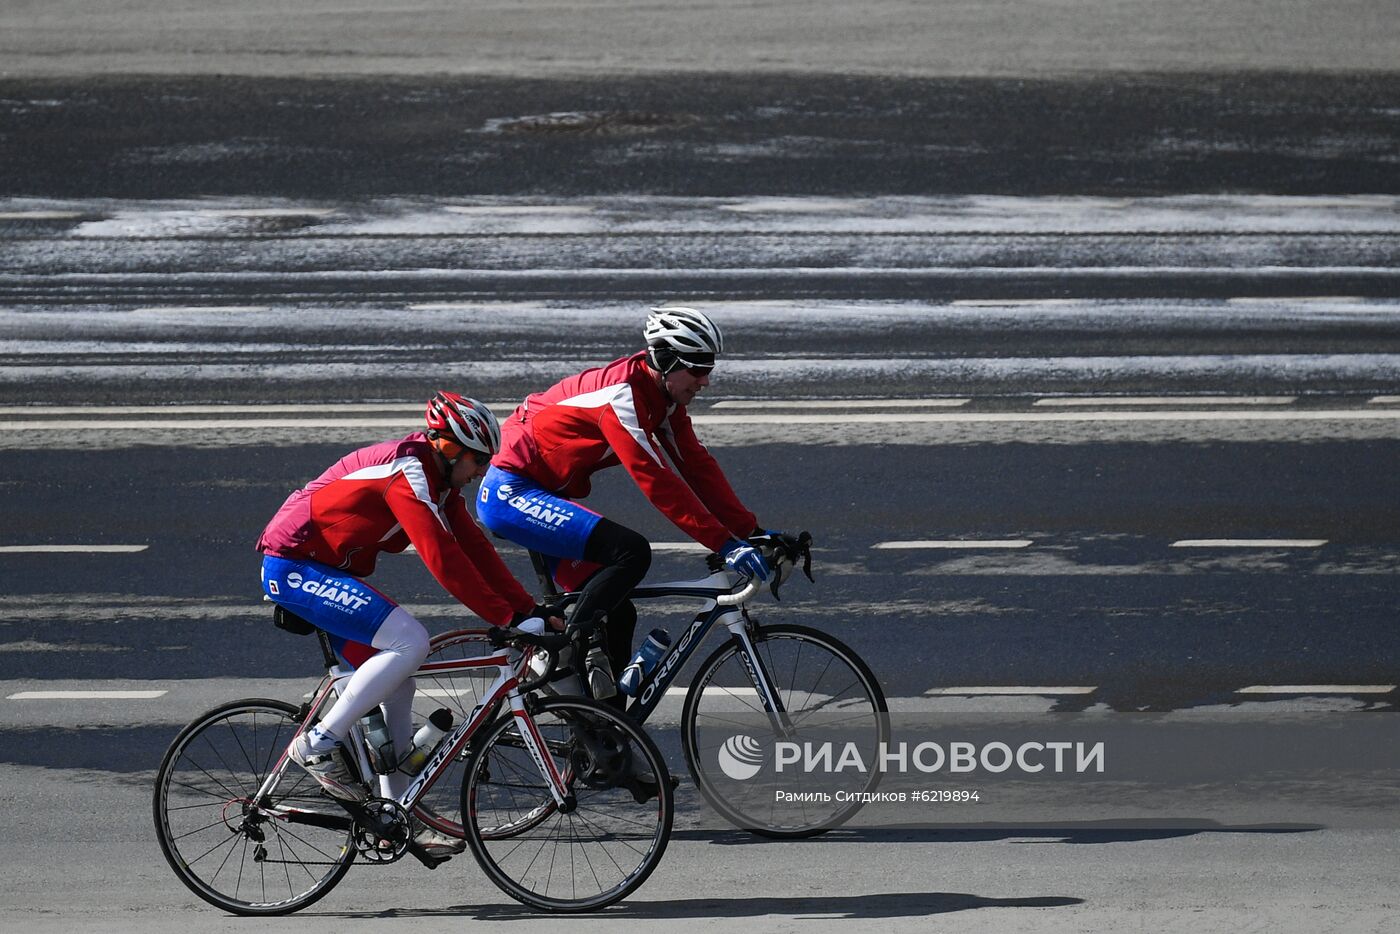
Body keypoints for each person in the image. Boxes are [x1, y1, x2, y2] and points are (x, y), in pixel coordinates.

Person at [257, 391, 556, 855]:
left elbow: (475, 548)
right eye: (478, 460)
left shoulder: (441, 483)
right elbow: (443, 560)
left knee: (400, 683)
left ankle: (392, 815)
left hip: (327, 569)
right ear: (450, 448)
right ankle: (318, 743)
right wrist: (504, 618)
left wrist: (526, 611)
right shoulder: (409, 472)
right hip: (294, 565)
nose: (482, 472)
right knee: (410, 642)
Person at [476, 306, 780, 696]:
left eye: (711, 369)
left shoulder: (665, 399)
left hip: (543, 492)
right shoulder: (621, 396)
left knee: (619, 611)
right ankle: (557, 650)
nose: (706, 381)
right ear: (667, 362)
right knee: (631, 553)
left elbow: (696, 466)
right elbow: (656, 480)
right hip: (511, 491)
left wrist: (750, 532)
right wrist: (722, 544)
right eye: (697, 369)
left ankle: (606, 726)